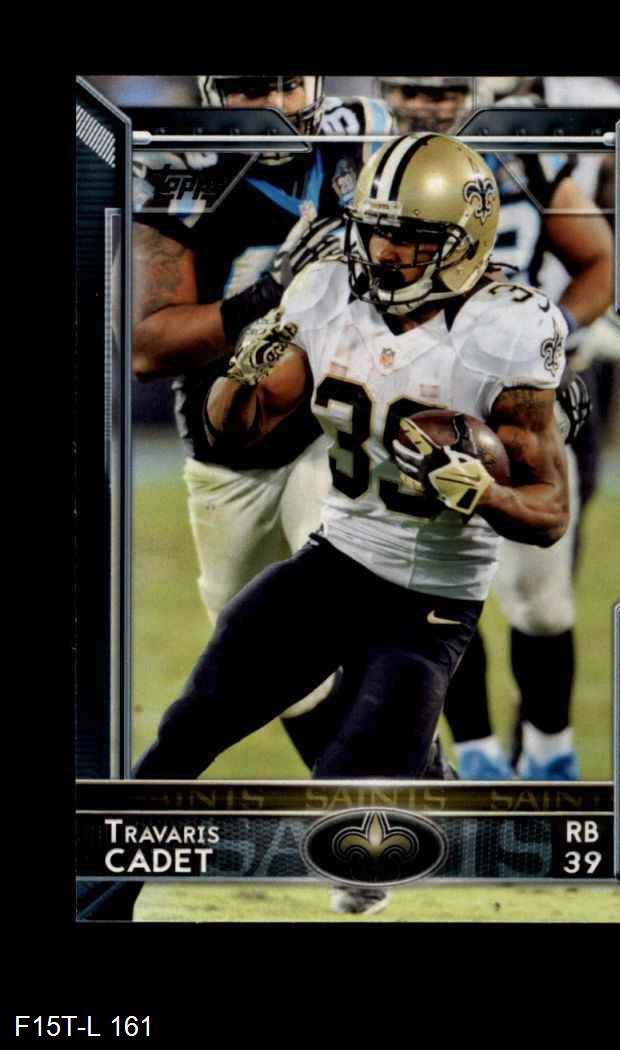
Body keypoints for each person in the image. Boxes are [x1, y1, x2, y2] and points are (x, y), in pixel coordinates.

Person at [79, 132, 570, 921]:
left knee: (348, 840)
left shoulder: (508, 329)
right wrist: (240, 372)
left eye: (411, 238)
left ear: (464, 240)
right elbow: (237, 433)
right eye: (375, 231)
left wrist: (482, 494)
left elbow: (549, 512)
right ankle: (101, 904)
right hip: (336, 560)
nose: (385, 252)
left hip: (431, 601)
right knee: (193, 723)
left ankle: (413, 778)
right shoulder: (327, 288)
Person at [131, 73, 393, 771]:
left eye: (287, 85)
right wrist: (269, 291)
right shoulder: (179, 167)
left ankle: (404, 784)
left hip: (334, 420)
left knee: (345, 596)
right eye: (250, 89)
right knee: (256, 649)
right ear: (212, 93)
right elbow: (146, 348)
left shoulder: (366, 134)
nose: (274, 108)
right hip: (231, 435)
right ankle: (375, 784)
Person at [376, 76, 613, 779]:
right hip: (417, 396)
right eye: (412, 89)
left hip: (520, 400)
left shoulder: (522, 149)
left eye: (447, 88)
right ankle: (477, 760)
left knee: (539, 599)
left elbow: (599, 261)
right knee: (438, 588)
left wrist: (548, 335)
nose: (429, 105)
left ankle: (549, 757)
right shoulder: (369, 161)